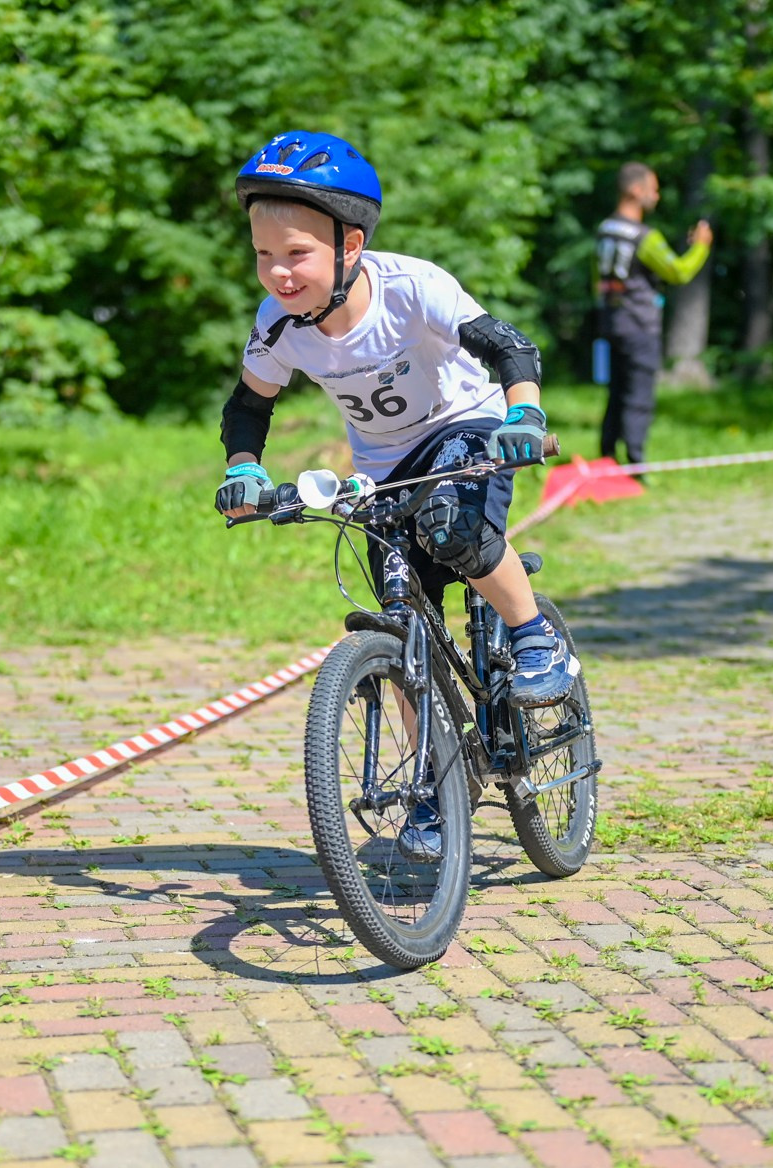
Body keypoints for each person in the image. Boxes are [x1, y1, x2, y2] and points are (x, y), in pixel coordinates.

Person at [213, 130, 580, 859]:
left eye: (296, 253)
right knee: (403, 618)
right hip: (383, 464)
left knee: (452, 528)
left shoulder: (411, 288)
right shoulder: (278, 324)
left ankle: (536, 637)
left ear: (350, 244)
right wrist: (245, 469)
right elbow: (248, 406)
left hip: (469, 426)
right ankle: (435, 787)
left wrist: (525, 415)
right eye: (263, 255)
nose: (278, 272)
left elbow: (510, 347)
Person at [594, 162, 712, 465]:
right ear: (636, 190)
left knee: (616, 393)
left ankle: (607, 457)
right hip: (640, 326)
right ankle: (636, 465)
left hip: (612, 321)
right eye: (654, 189)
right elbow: (679, 272)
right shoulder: (645, 237)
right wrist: (701, 247)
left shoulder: (605, 229)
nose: (657, 196)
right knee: (639, 398)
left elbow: (597, 280)